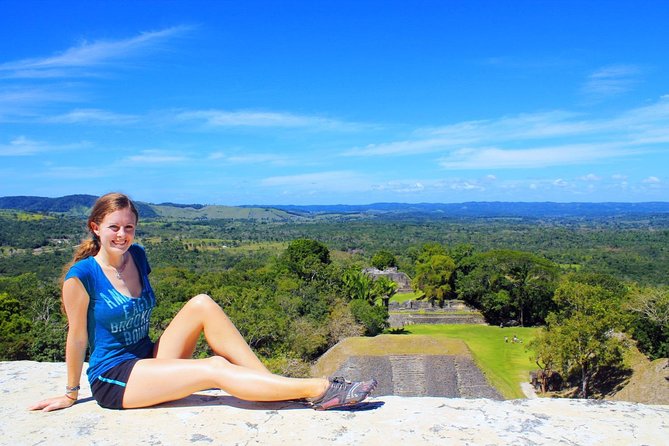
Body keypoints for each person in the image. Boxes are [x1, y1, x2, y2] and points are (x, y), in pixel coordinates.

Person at [30, 192, 376, 412]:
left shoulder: (138, 256)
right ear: (96, 227)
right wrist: (71, 393)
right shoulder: (82, 276)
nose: (122, 235)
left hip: (149, 358)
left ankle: (271, 385)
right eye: (114, 227)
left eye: (129, 227)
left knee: (202, 303)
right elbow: (77, 338)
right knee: (214, 368)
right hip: (116, 377)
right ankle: (319, 389)